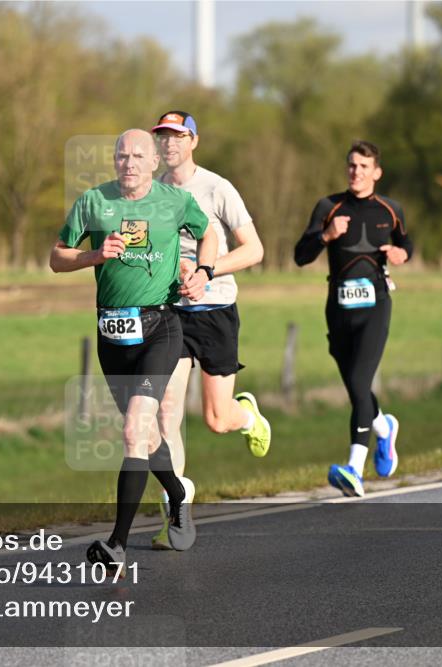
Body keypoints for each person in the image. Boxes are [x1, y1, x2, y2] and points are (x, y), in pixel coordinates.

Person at [50, 129, 216, 575]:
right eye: (122, 156)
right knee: (145, 436)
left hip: (160, 328)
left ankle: (117, 545)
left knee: (133, 430)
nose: (129, 163)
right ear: (114, 160)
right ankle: (178, 494)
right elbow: (56, 257)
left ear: (153, 161)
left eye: (138, 156)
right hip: (112, 335)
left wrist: (203, 271)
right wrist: (93, 257)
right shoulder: (92, 201)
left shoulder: (174, 201)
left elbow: (209, 234)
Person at [150, 111, 271, 550]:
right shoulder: (152, 193)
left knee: (217, 420)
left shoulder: (217, 188)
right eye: (162, 136)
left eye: (178, 136)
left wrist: (205, 269)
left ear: (194, 141)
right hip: (171, 313)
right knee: (166, 412)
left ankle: (248, 415)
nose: (169, 144)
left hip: (216, 309)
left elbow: (254, 250)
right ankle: (176, 511)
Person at [294, 140, 411, 497]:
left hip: (376, 305)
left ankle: (354, 470)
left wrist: (401, 252)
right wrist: (326, 236)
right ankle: (384, 428)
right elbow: (300, 255)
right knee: (356, 389)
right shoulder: (329, 206)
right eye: (351, 165)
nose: (355, 172)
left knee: (361, 384)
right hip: (338, 309)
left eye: (363, 166)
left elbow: (409, 243)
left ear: (376, 172)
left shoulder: (390, 209)